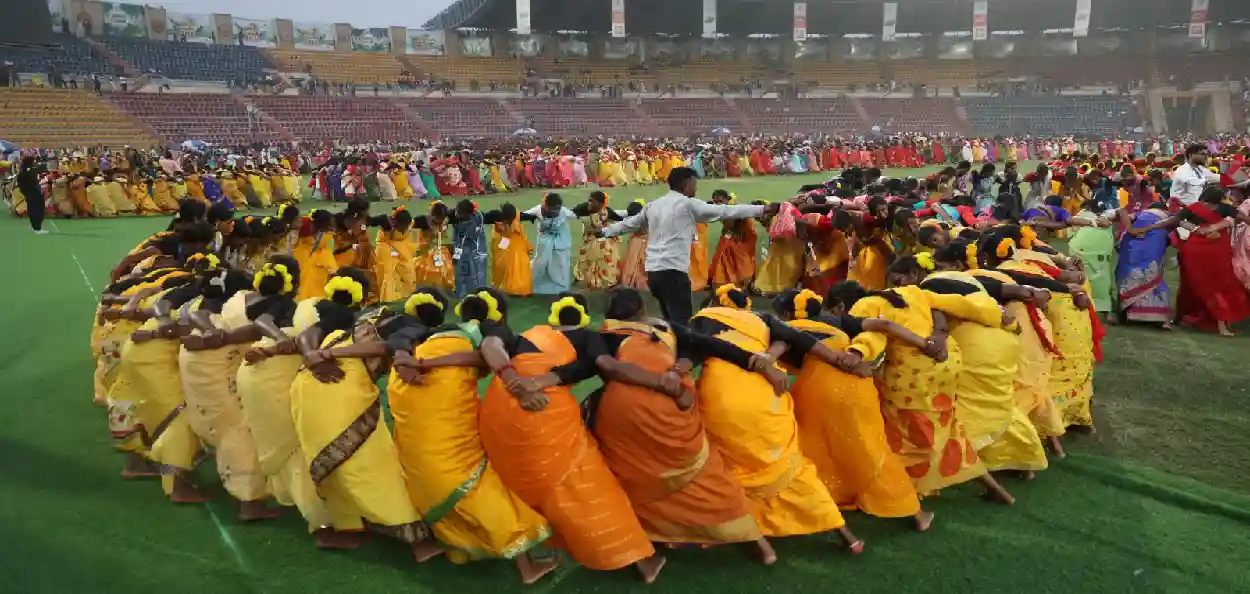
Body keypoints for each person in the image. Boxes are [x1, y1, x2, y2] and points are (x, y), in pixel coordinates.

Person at [477, 294, 669, 583]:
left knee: (514, 484)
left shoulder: (533, 334)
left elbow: (490, 344)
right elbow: (608, 366)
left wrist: (515, 382)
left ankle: (529, 563)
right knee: (588, 486)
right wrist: (662, 383)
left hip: (498, 410)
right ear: (584, 315)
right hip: (541, 412)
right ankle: (642, 561)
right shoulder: (590, 338)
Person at [589, 287, 774, 559]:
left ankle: (651, 540)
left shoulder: (602, 335)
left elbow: (592, 368)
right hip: (672, 410)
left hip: (622, 413)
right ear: (642, 310)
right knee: (707, 474)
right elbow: (712, 345)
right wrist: (755, 361)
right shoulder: (665, 328)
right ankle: (758, 544)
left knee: (634, 474)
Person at [690, 285, 864, 553]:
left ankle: (753, 542)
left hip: (722, 400)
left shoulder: (703, 319)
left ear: (714, 304)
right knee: (791, 468)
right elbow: (803, 340)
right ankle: (848, 537)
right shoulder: (762, 319)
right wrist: (839, 360)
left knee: (729, 468)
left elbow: (687, 358)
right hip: (766, 398)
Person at [772, 287, 933, 531]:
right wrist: (924, 343)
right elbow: (886, 326)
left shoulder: (787, 328)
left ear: (786, 313)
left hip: (815, 390)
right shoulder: (838, 321)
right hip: (857, 390)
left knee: (815, 446)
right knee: (871, 448)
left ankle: (824, 501)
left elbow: (772, 352)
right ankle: (916, 514)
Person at [601, 167, 774, 325]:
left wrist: (604, 232)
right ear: (685, 184)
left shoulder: (653, 205)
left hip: (653, 272)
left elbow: (630, 223)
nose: (696, 188)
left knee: (670, 317)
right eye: (694, 184)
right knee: (682, 321)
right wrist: (761, 209)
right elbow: (725, 211)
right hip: (673, 271)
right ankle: (680, 355)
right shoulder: (688, 204)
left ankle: (668, 348)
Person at [519, 193, 577, 295]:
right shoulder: (538, 210)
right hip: (544, 240)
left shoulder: (564, 211)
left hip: (561, 239)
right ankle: (533, 282)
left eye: (557, 209)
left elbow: (577, 213)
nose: (556, 212)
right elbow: (521, 216)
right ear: (546, 205)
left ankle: (560, 285)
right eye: (553, 209)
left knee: (560, 261)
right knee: (541, 261)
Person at [18, 156, 48, 234]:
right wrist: (36, 171)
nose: (35, 162)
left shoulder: (25, 169)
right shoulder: (27, 171)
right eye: (33, 161)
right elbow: (30, 179)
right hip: (33, 192)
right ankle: (37, 228)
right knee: (37, 209)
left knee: (33, 208)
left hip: (30, 192)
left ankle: (34, 226)